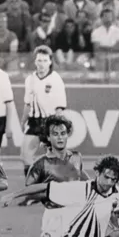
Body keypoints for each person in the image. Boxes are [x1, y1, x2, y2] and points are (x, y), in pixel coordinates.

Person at [20, 45, 67, 186]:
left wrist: (58, 126)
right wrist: (23, 121)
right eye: (39, 60)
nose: (41, 64)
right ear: (35, 62)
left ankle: (58, 189)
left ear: (50, 62)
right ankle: (32, 191)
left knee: (54, 158)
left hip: (50, 122)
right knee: (25, 156)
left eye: (45, 60)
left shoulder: (56, 79)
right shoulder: (30, 79)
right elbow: (27, 103)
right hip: (34, 122)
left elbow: (60, 106)